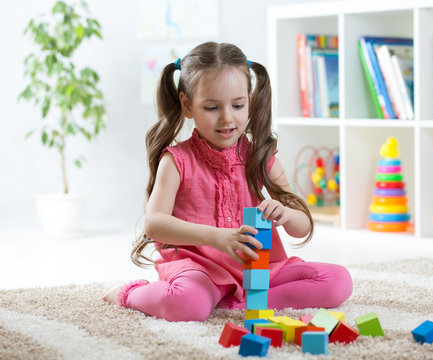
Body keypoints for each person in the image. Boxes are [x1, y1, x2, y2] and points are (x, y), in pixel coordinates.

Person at [103, 42, 352, 321]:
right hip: (200, 269)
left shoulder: (261, 157)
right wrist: (216, 237)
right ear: (187, 105)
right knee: (188, 305)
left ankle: (242, 303)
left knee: (338, 281)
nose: (226, 118)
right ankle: (130, 294)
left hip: (259, 268)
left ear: (250, 101)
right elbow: (155, 224)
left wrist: (286, 213)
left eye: (237, 105)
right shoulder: (176, 160)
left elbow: (302, 225)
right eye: (211, 107)